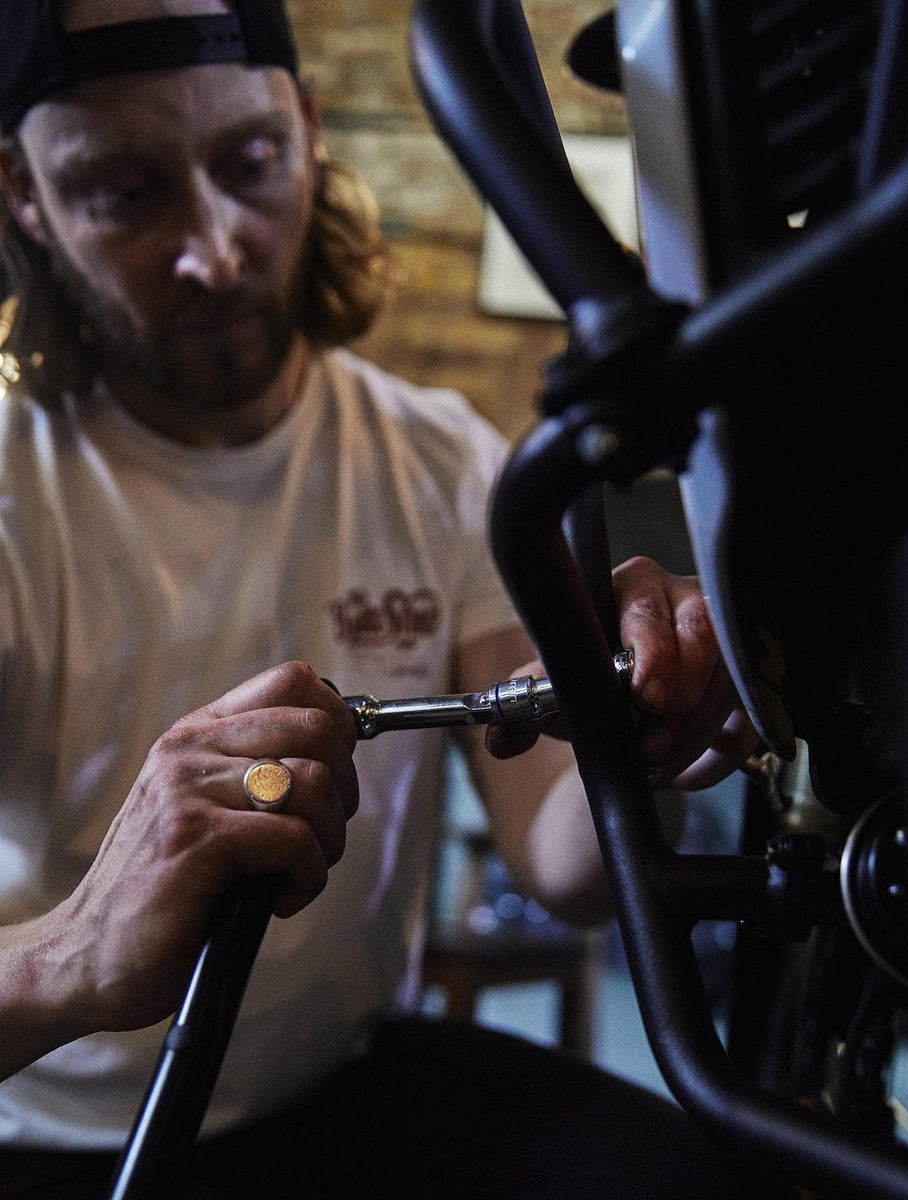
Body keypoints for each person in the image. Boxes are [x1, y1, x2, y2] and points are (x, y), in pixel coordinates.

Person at [0, 1, 765, 1196]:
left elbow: (562, 858)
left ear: (309, 131)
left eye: (251, 163)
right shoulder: (16, 495)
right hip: (56, 1139)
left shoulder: (442, 463)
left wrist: (649, 703)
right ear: (24, 195)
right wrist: (73, 952)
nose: (217, 252)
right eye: (125, 194)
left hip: (341, 1082)